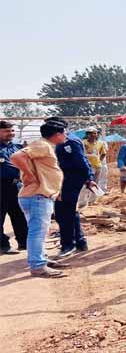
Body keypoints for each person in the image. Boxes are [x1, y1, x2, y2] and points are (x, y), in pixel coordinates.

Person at [11, 120, 70, 277]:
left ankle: (41, 259)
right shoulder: (42, 145)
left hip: (40, 195)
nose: (66, 135)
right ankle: (37, 266)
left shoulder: (44, 146)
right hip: (37, 196)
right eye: (65, 132)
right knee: (37, 231)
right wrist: (30, 175)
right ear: (57, 134)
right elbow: (16, 157)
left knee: (41, 231)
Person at [51, 117, 96, 258]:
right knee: (69, 211)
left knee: (63, 212)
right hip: (67, 179)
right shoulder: (65, 140)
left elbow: (81, 161)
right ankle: (80, 242)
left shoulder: (69, 141)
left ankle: (68, 245)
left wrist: (88, 178)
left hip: (70, 179)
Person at [0, 121, 27, 254]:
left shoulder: (17, 147)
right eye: (6, 131)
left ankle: (24, 242)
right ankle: (3, 245)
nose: (10, 133)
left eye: (12, 131)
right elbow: (8, 166)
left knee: (19, 214)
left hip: (15, 185)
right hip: (1, 186)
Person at [82, 127, 107, 205]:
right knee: (85, 183)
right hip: (86, 166)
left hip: (97, 166)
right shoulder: (83, 143)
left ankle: (92, 200)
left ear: (97, 135)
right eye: (90, 133)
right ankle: (83, 201)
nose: (92, 135)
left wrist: (99, 160)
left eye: (94, 133)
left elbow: (103, 153)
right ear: (87, 134)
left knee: (95, 183)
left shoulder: (100, 144)